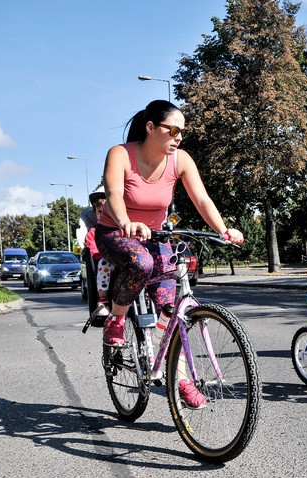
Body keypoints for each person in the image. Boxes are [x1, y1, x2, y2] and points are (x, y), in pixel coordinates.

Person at [95, 99, 243, 409]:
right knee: (141, 262)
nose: (178, 137)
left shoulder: (181, 160)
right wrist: (126, 223)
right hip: (116, 233)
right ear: (151, 128)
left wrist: (223, 229)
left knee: (170, 309)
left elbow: (201, 199)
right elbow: (112, 195)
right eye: (172, 130)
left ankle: (181, 378)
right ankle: (117, 320)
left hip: (156, 235)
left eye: (182, 132)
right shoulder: (120, 154)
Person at [81, 188, 114, 317]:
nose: (105, 215)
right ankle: (103, 300)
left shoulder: (123, 229)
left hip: (123, 262)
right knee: (104, 262)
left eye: (109, 211)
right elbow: (94, 251)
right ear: (95, 214)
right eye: (100, 212)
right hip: (106, 263)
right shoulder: (94, 232)